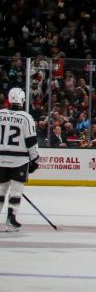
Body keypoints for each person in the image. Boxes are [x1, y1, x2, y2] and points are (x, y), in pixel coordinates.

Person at [0, 88, 39, 231]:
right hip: (19, 161)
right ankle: (11, 220)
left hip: (0, 160)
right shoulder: (26, 117)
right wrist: (35, 159)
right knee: (16, 192)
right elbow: (31, 141)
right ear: (22, 100)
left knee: (0, 191)